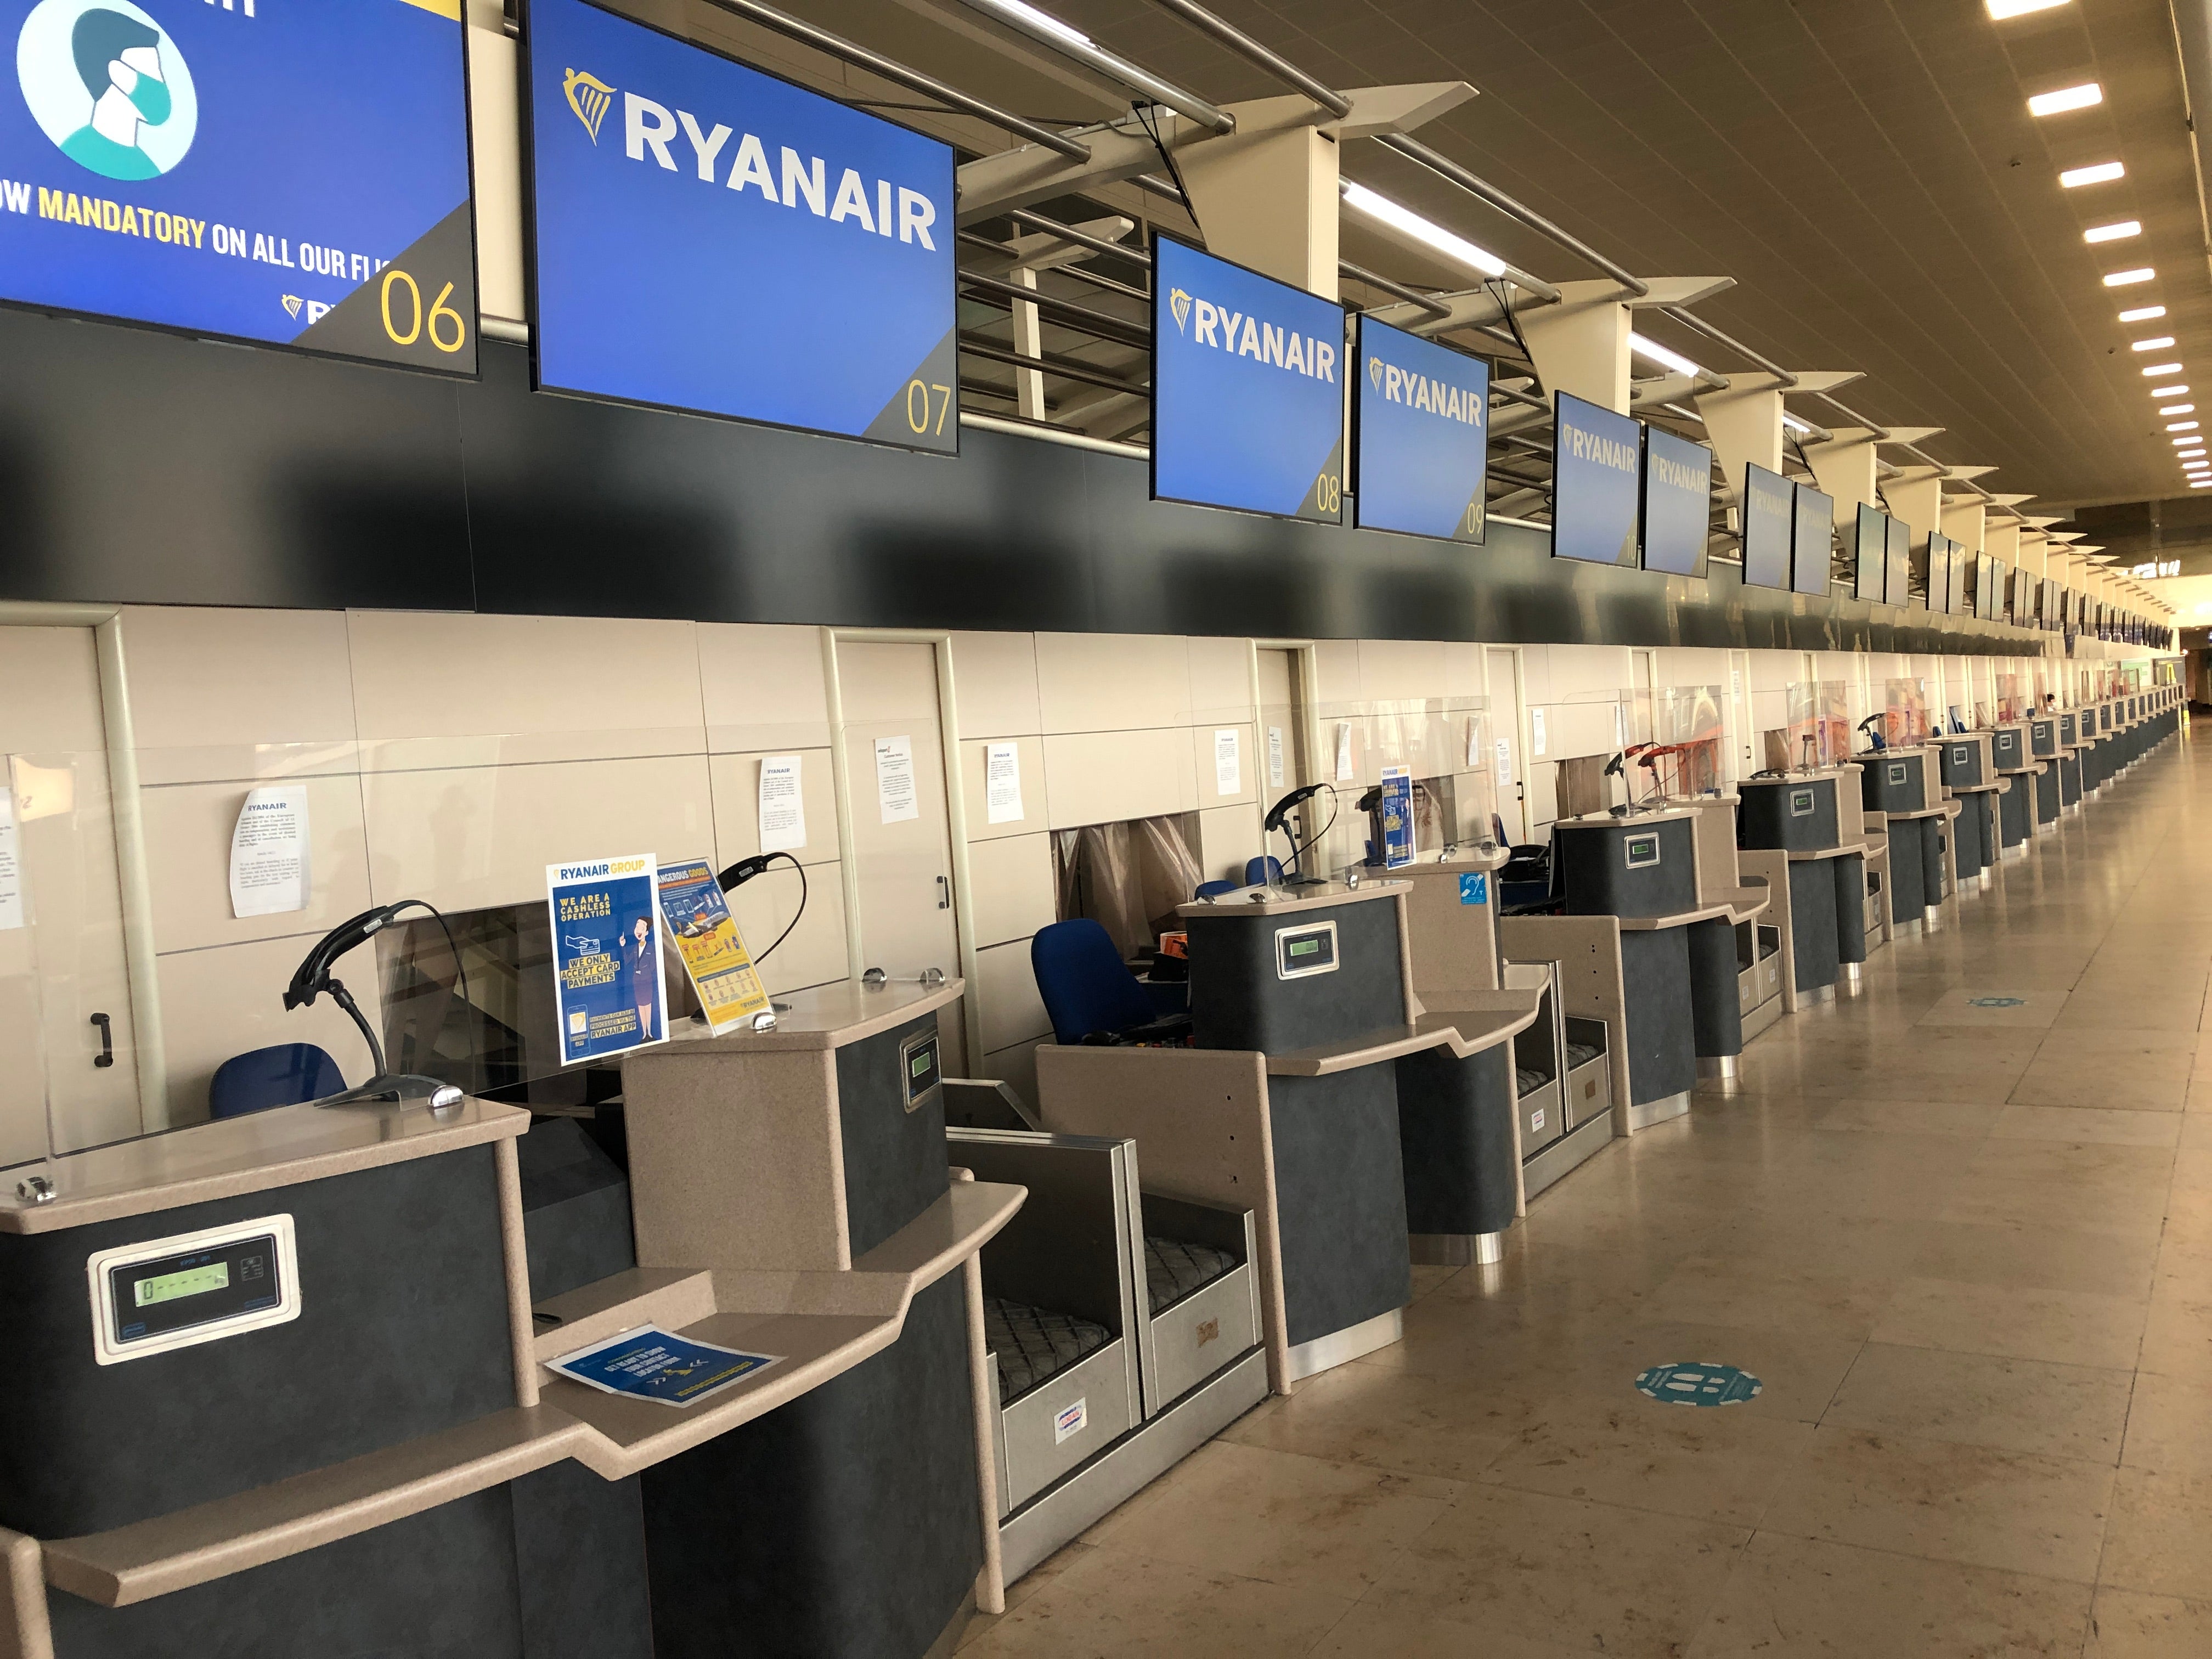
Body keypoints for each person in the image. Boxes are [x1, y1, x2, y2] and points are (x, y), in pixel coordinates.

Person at [59, 9, 172, 183]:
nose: (160, 87)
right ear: (119, 73)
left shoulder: (148, 168)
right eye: (151, 75)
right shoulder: (74, 153)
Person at [622, 915, 659, 1040]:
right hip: (636, 981)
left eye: (642, 927)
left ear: (647, 932)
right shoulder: (635, 948)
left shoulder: (650, 948)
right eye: (637, 926)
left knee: (648, 1005)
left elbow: (653, 965)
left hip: (647, 980)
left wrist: (644, 972)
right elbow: (627, 961)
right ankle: (644, 1033)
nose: (638, 929)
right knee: (640, 1006)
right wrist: (623, 947)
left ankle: (650, 1032)